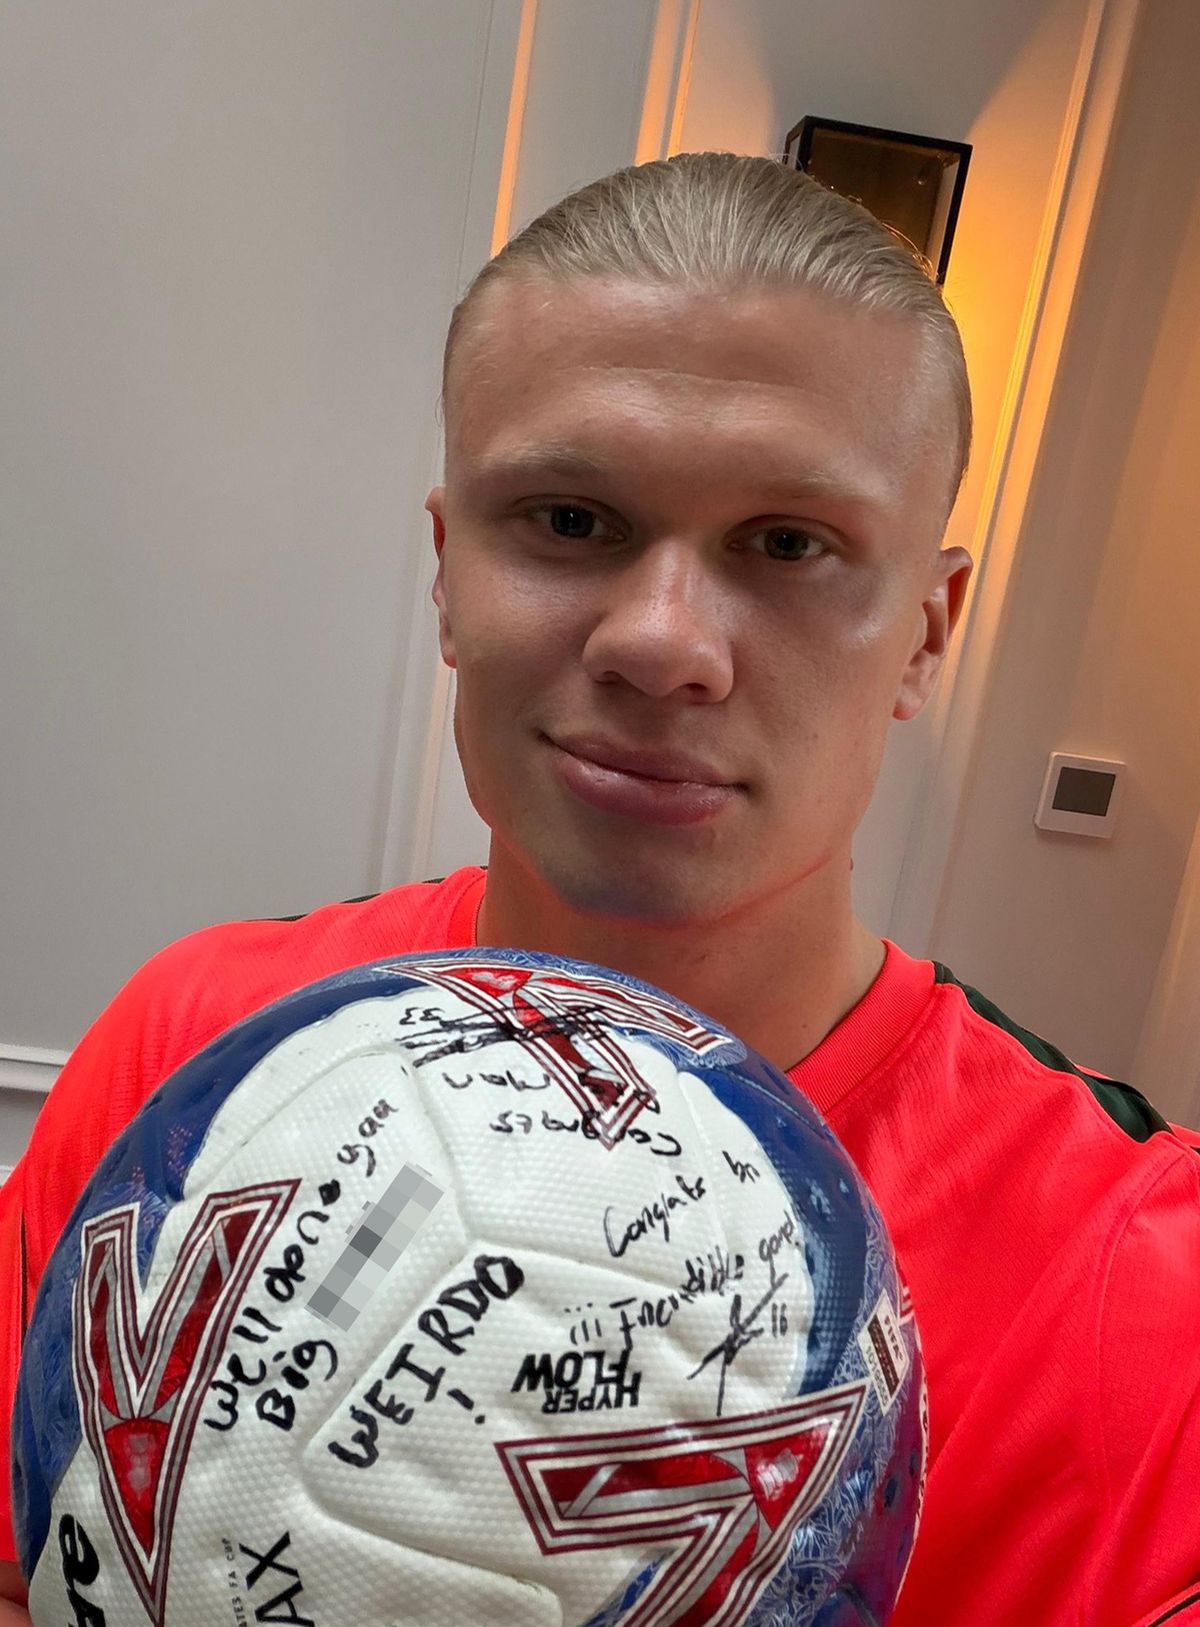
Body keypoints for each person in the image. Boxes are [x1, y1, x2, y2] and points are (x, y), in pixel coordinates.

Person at [1, 152, 1197, 1627]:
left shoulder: (1143, 1296)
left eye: (790, 545)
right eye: (570, 520)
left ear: (929, 633)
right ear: (446, 576)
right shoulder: (201, 1051)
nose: (663, 641)